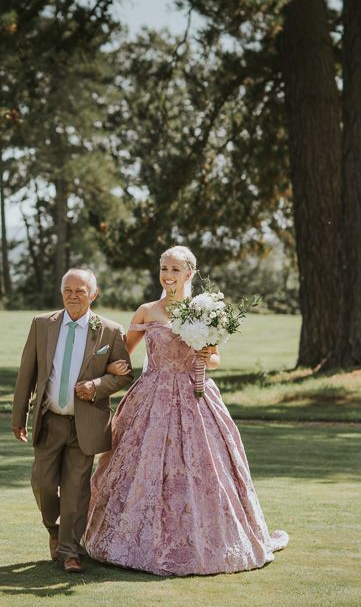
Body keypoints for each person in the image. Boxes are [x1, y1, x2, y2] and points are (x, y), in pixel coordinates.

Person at [82, 245, 289, 576]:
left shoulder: (205, 311)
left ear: (190, 273)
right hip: (152, 395)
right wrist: (103, 374)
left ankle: (204, 541)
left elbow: (215, 357)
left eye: (175, 269)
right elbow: (124, 355)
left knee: (203, 468)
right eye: (164, 268)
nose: (167, 275)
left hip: (196, 397)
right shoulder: (146, 311)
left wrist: (208, 359)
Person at [11, 268, 133, 573]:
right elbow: (26, 373)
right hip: (50, 420)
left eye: (81, 290)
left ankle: (69, 552)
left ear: (94, 294)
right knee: (43, 484)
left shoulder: (109, 330)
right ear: (61, 291)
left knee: (77, 490)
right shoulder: (42, 325)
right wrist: (18, 415)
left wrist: (97, 386)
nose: (73, 296)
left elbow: (124, 375)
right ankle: (53, 529)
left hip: (87, 424)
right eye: (68, 290)